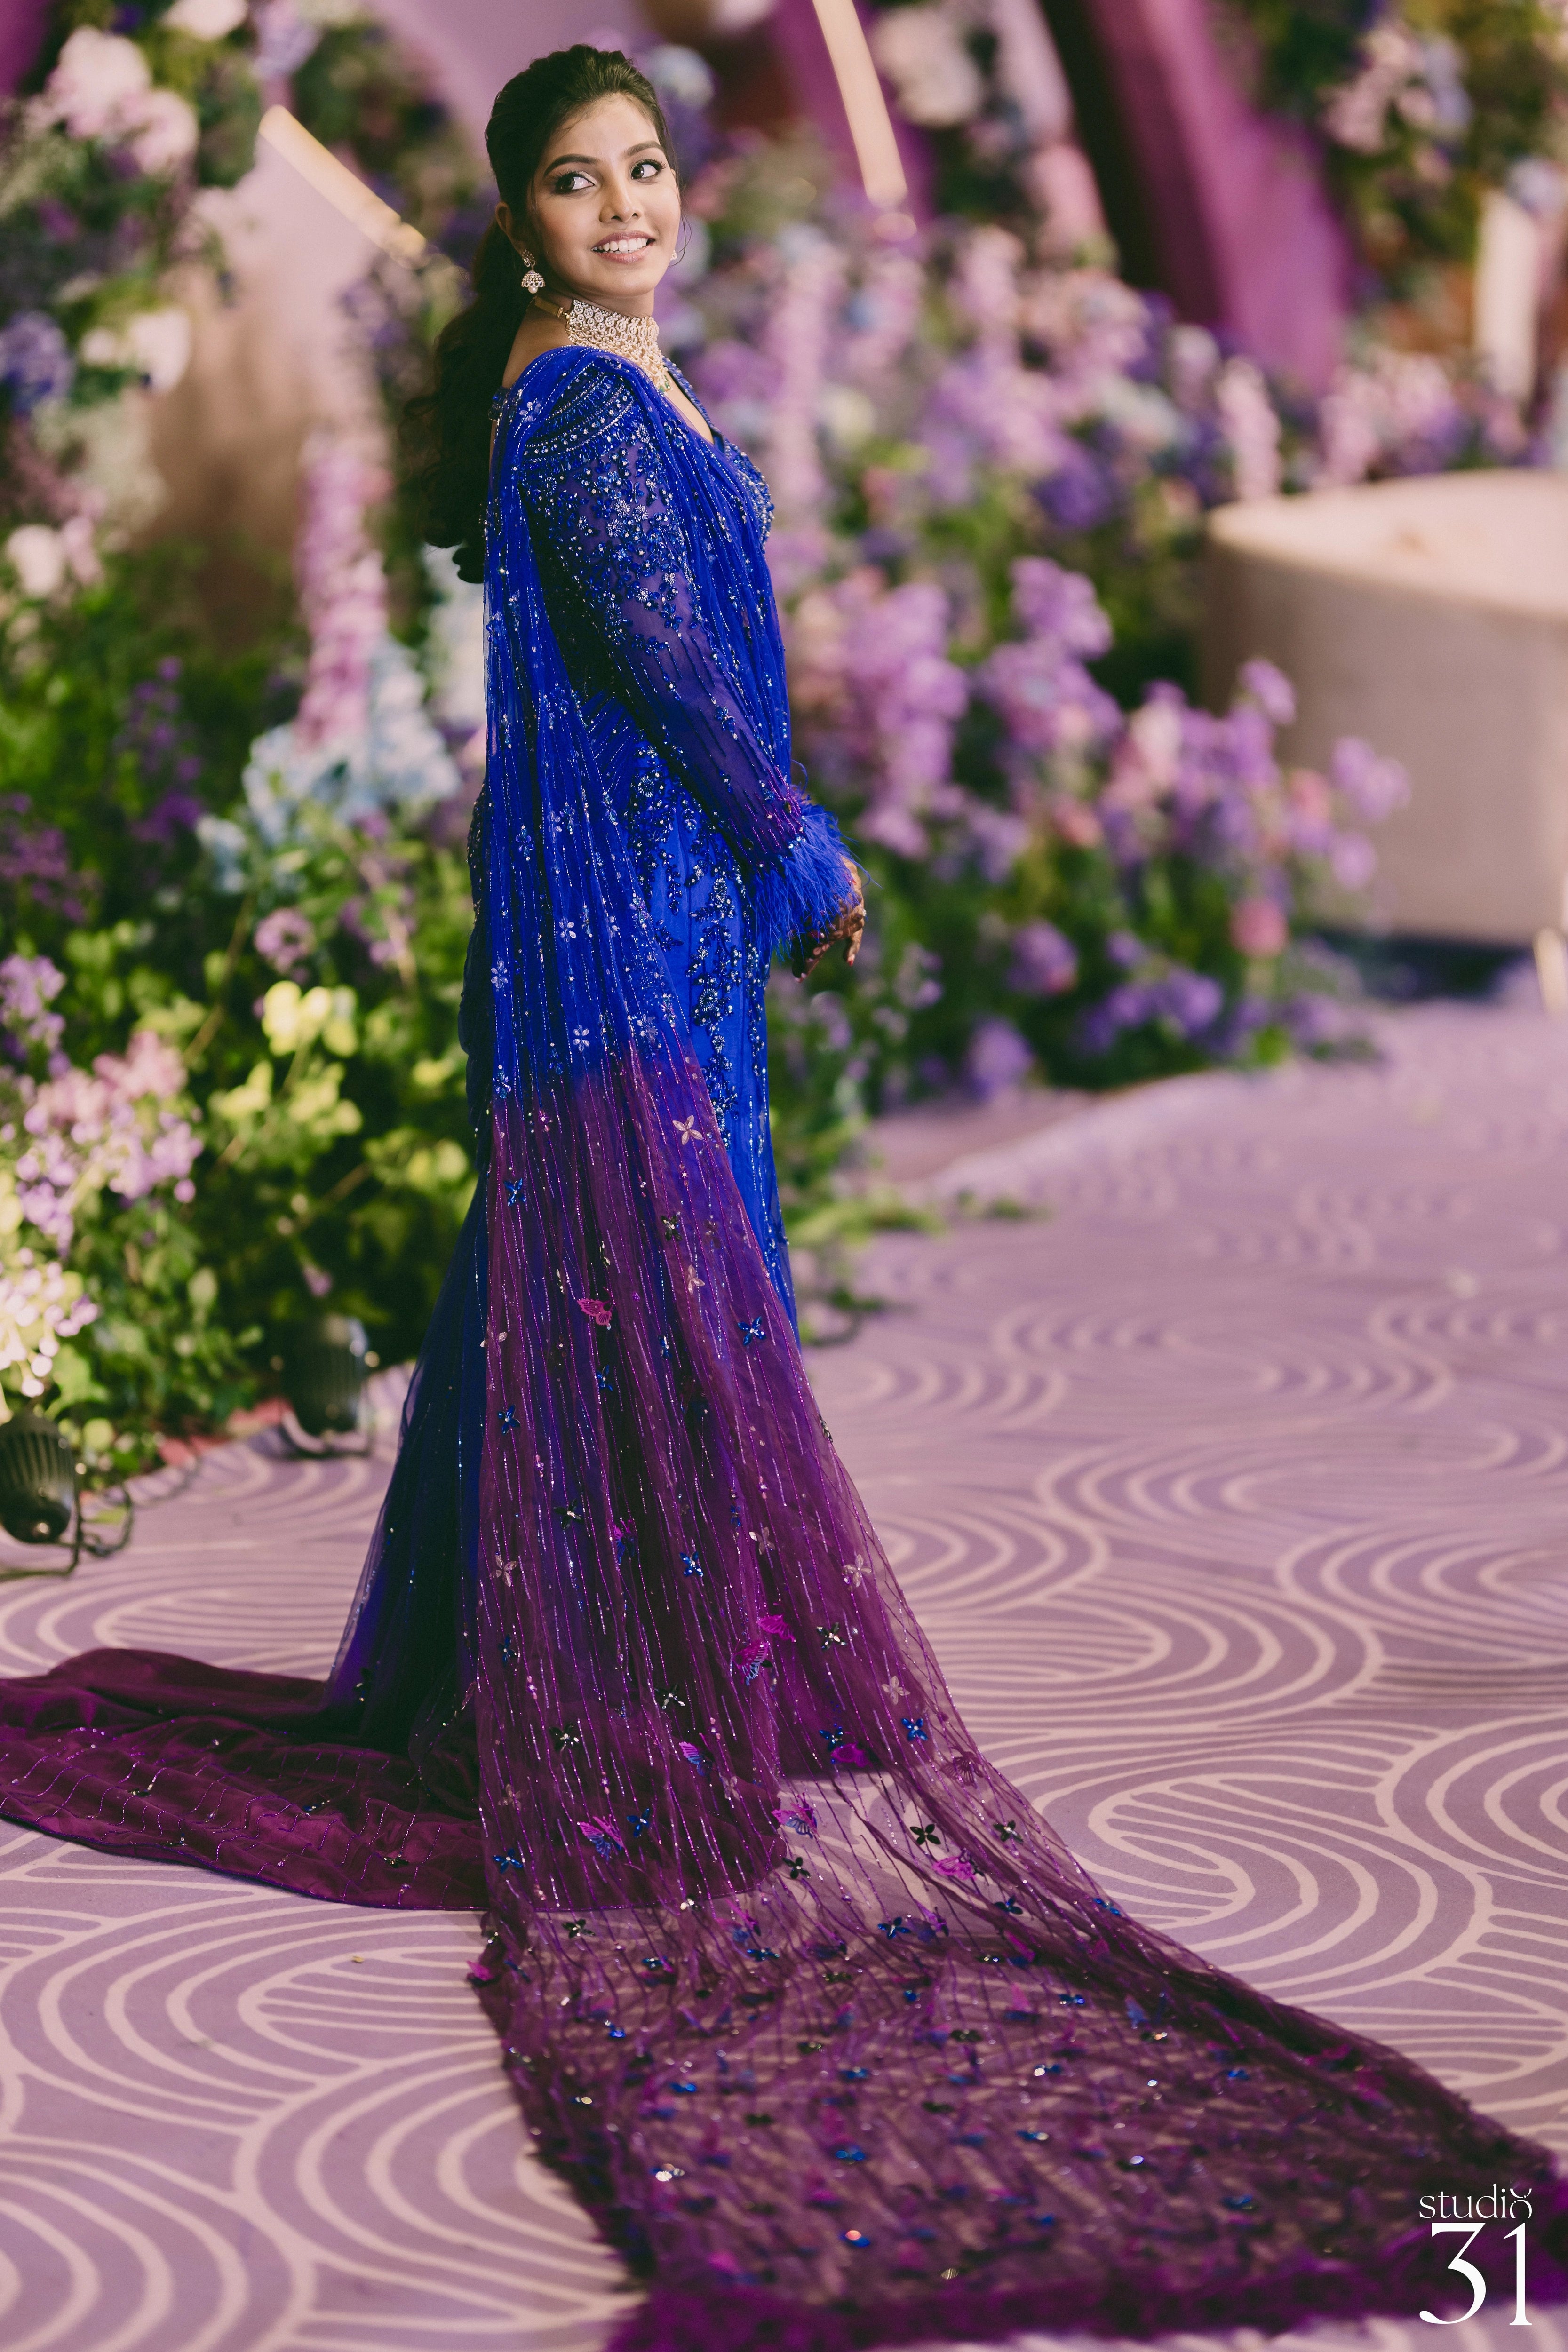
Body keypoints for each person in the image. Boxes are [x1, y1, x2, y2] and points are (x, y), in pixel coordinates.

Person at [1, 44, 1563, 2352]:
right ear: (521, 220)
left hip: (658, 921)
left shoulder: (617, 370)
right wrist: (798, 840)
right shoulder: (581, 409)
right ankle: (643, 1715)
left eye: (647, 167)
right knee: (658, 1294)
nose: (631, 205)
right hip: (638, 923)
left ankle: (623, 1679)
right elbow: (670, 668)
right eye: (580, 182)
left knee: (621, 1285)